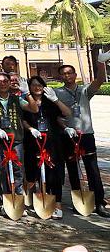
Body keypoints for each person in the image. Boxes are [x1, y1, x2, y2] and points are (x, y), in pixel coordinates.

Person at [55, 57, 110, 218]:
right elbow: (56, 116)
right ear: (60, 77)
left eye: (69, 73)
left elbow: (100, 80)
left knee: (92, 169)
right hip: (68, 136)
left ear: (75, 74)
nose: (67, 76)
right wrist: (65, 128)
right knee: (73, 169)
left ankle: (99, 202)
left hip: (86, 134)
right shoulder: (57, 93)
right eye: (63, 73)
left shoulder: (85, 90)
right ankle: (78, 201)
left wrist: (100, 62)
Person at [24, 76, 71, 219]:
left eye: (40, 84)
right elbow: (22, 120)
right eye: (33, 85)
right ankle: (33, 201)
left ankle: (57, 204)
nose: (37, 87)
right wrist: (31, 129)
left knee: (54, 173)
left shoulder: (50, 101)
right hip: (33, 141)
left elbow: (66, 113)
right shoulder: (26, 101)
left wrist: (55, 100)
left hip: (52, 141)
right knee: (33, 172)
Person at [0, 72, 25, 217]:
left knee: (17, 169)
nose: (2, 84)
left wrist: (27, 93)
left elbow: (33, 108)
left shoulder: (17, 99)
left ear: (9, 83)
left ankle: (19, 199)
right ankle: (4, 200)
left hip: (16, 139)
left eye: (5, 81)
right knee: (0, 170)